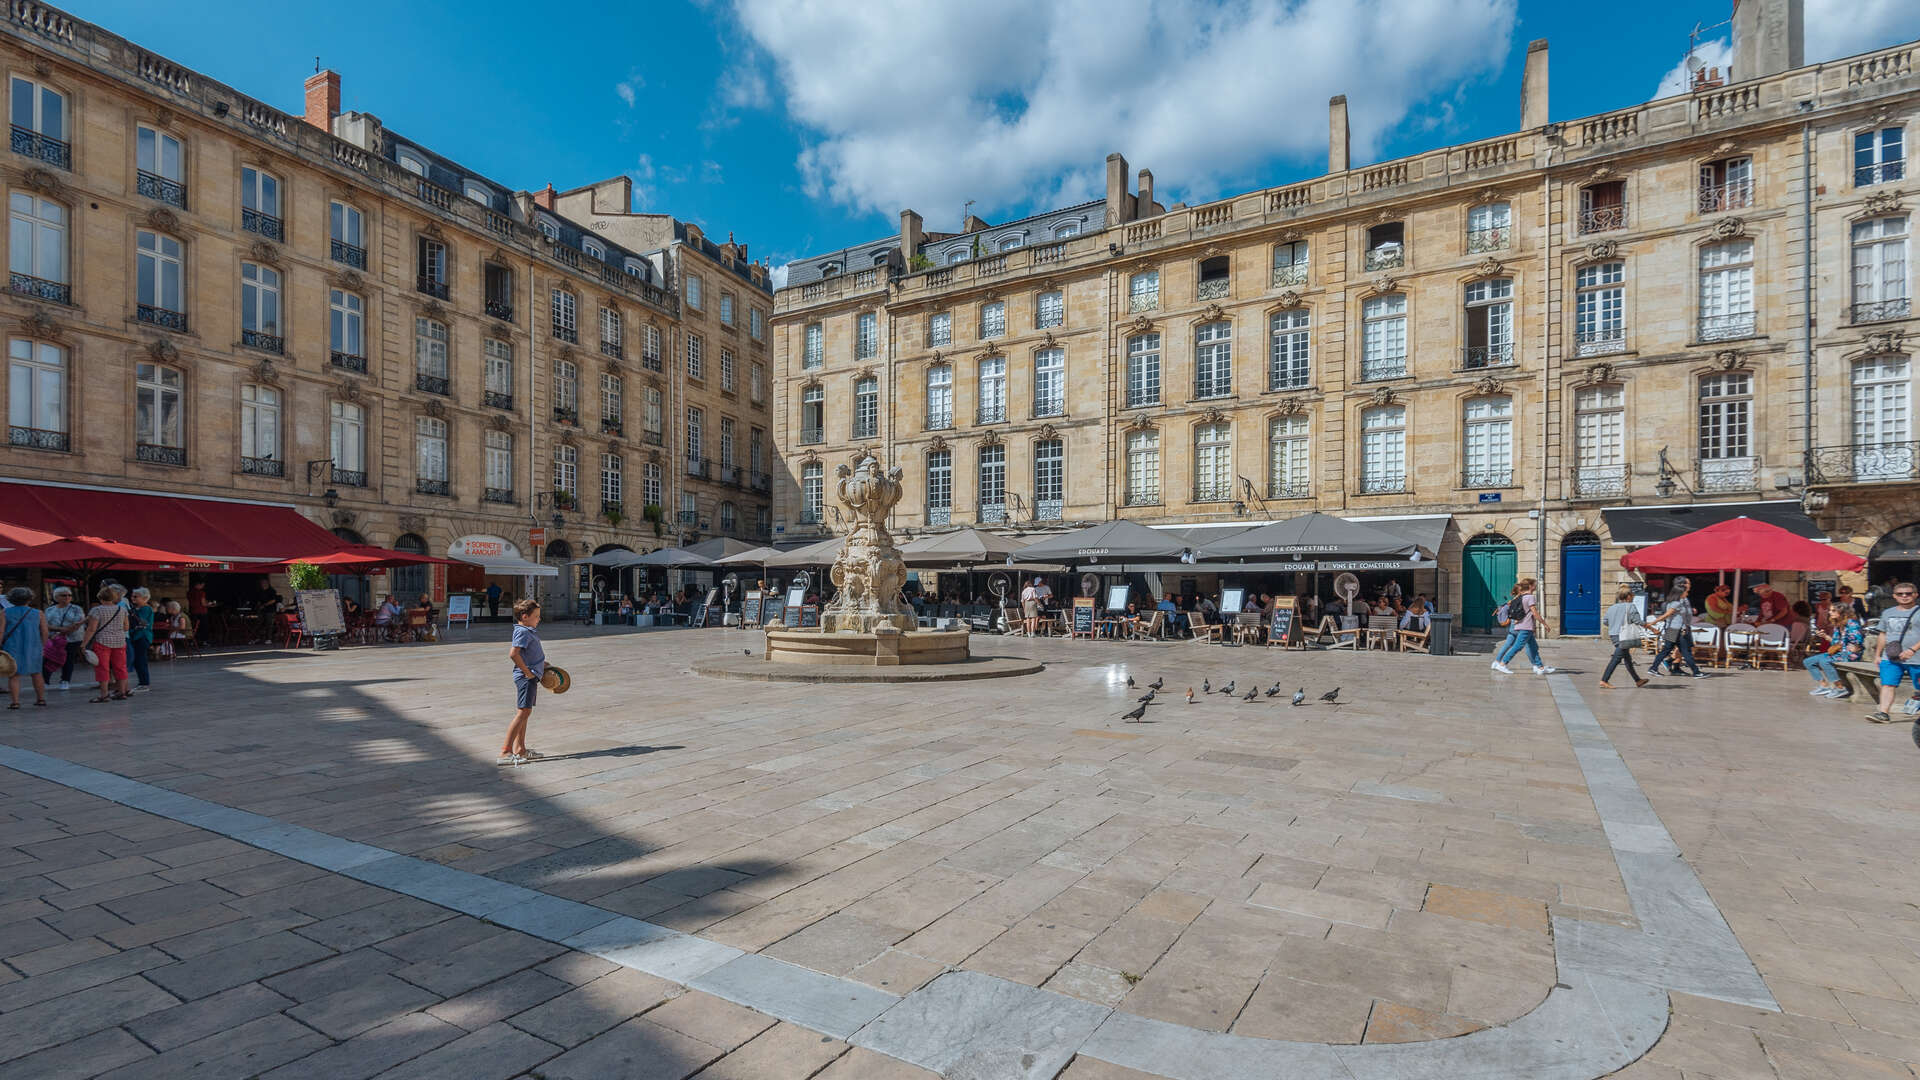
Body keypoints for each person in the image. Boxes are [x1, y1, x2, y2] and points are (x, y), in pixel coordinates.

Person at [1865, 581, 1920, 723]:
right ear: (1894, 596)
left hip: (1917, 657)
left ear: (1915, 595)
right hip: (1891, 657)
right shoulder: (1888, 613)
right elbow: (1883, 634)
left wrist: (1913, 649)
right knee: (1888, 684)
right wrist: (1878, 655)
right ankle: (1883, 713)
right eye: (1900, 594)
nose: (1904, 596)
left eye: (1908, 593)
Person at [501, 598, 547, 765]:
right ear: (525, 616)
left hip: (531, 676)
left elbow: (529, 653)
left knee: (526, 712)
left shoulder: (528, 630)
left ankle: (520, 749)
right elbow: (514, 654)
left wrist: (542, 664)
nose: (539, 619)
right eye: (536, 616)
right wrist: (528, 673)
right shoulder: (523, 631)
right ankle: (506, 751)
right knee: (523, 712)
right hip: (526, 678)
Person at [1491, 578, 1556, 675]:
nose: (1535, 586)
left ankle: (1540, 667)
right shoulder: (1530, 597)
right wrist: (1544, 624)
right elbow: (1534, 613)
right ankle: (1503, 663)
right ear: (1530, 586)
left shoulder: (1520, 597)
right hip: (1526, 627)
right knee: (1517, 646)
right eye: (1534, 585)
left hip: (1522, 626)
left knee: (1533, 647)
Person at [1648, 580, 1708, 679]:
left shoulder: (1681, 602)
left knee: (1670, 650)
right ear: (1680, 593)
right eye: (1686, 592)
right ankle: (1696, 672)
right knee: (1684, 651)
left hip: (1676, 630)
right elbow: (1666, 615)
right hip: (1675, 630)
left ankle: (1653, 668)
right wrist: (1651, 623)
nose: (1687, 593)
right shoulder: (1676, 603)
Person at [1805, 604, 1865, 699]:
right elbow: (1836, 642)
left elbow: (1856, 642)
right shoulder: (1838, 624)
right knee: (1808, 661)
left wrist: (1850, 647)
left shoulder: (1852, 624)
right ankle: (1824, 686)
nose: (1830, 612)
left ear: (1842, 612)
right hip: (1840, 652)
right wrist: (1825, 636)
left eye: (1833, 611)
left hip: (1851, 655)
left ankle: (1840, 688)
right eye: (1830, 610)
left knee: (1824, 661)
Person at [2, 588, 48, 709]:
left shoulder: (5, 613)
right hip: (34, 646)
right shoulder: (38, 613)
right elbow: (44, 631)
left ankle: (15, 702)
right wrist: (42, 645)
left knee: (14, 675)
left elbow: (1, 631)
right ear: (29, 598)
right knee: (37, 673)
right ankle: (41, 699)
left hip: (12, 646)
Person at [83, 585, 130, 702]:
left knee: (102, 668)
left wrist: (83, 643)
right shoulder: (122, 610)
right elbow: (126, 627)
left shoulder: (97, 610)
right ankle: (122, 692)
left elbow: (91, 629)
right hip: (120, 642)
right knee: (120, 667)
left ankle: (104, 695)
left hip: (102, 642)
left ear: (100, 597)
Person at [1598, 585, 1651, 689]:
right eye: (1632, 594)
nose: (1633, 596)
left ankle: (1638, 680)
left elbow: (1605, 621)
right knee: (1616, 659)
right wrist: (1650, 627)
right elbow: (1637, 621)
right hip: (1624, 636)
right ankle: (1604, 680)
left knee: (1627, 658)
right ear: (1628, 596)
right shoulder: (1631, 606)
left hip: (1614, 635)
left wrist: (1615, 625)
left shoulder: (1612, 607)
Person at [43, 586, 85, 691]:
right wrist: (60, 630)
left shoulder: (77, 609)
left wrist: (61, 631)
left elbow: (77, 624)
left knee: (68, 660)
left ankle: (65, 680)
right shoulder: (49, 610)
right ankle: (45, 681)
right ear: (56, 597)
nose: (67, 597)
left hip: (72, 639)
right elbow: (44, 624)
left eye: (69, 595)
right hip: (53, 639)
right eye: (64, 595)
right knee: (48, 659)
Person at [127, 587, 155, 693]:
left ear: (144, 598)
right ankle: (142, 682)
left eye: (136, 596)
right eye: (132, 596)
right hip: (136, 636)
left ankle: (144, 683)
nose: (133, 598)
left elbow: (141, 622)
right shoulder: (136, 608)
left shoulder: (145, 608)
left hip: (142, 636)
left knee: (140, 660)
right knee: (137, 660)